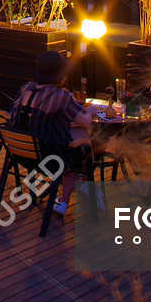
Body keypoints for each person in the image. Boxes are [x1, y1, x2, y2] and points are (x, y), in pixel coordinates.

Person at [8, 49, 93, 214]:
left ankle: (71, 188)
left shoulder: (27, 89)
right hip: (50, 160)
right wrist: (93, 110)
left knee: (77, 137)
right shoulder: (60, 96)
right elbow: (85, 120)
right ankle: (64, 200)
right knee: (84, 148)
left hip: (21, 155)